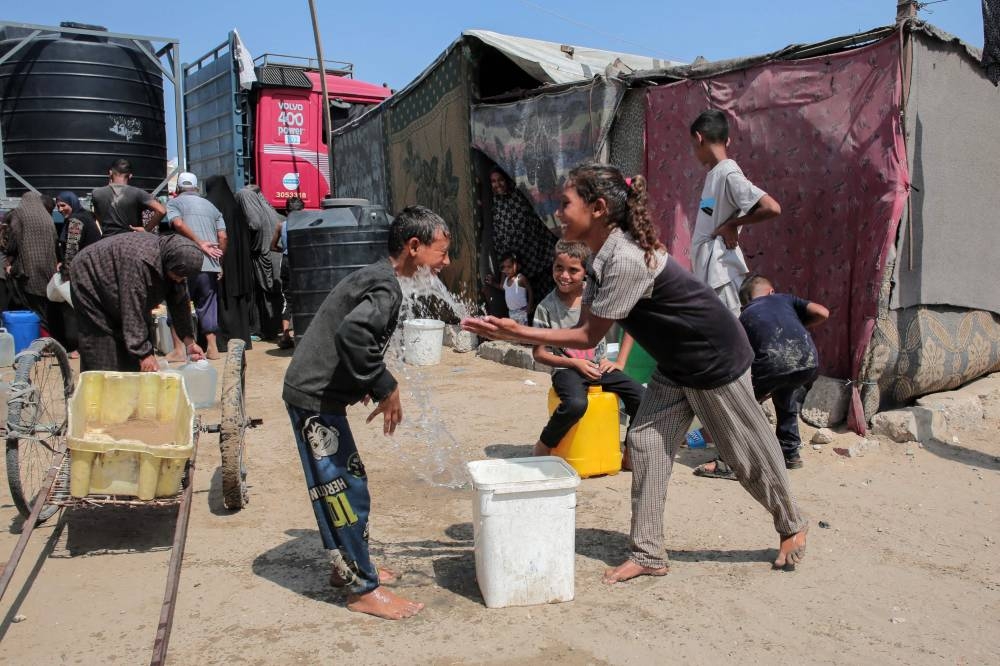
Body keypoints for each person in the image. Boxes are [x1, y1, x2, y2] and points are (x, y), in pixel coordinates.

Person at [463, 163, 809, 582]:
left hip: (712, 357)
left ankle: (792, 523)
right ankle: (648, 553)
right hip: (675, 360)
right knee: (644, 441)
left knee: (743, 448)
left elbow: (588, 333)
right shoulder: (600, 259)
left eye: (566, 202)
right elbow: (585, 327)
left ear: (598, 208)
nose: (558, 211)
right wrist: (519, 330)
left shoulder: (626, 259)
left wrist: (516, 329)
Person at [282, 204, 451, 620]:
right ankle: (362, 588)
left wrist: (359, 383)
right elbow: (354, 333)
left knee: (341, 487)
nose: (446, 262)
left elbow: (355, 338)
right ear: (414, 247)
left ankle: (351, 569)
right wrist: (384, 386)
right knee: (344, 490)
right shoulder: (386, 286)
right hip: (314, 400)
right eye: (441, 252)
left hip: (317, 396)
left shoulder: (380, 277)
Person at [531, 240, 645, 463]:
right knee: (575, 404)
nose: (564, 275)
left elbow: (631, 324)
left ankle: (630, 449)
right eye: (559, 268)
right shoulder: (546, 307)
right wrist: (575, 364)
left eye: (573, 270)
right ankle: (544, 444)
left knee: (642, 397)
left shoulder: (597, 298)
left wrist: (619, 362)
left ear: (586, 272)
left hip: (599, 366)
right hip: (567, 370)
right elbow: (539, 354)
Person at [70, 233, 207, 372]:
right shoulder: (139, 263)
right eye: (177, 276)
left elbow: (180, 302)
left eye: (182, 277)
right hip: (90, 276)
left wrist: (190, 343)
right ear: (167, 264)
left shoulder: (175, 262)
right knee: (103, 347)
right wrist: (143, 354)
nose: (179, 280)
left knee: (135, 350)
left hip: (119, 278)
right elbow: (131, 308)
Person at [689, 110, 781, 314]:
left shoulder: (728, 172)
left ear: (699, 138)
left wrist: (733, 225)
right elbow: (710, 220)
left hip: (722, 274)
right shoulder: (714, 175)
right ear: (727, 141)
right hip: (711, 276)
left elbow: (771, 207)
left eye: (693, 145)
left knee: (731, 335)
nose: (694, 151)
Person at [738, 275, 828, 467]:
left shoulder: (745, 315)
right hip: (807, 361)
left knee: (741, 405)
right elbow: (823, 313)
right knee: (786, 394)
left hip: (772, 364)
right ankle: (790, 454)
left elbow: (743, 351)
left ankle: (731, 461)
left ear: (744, 303)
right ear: (771, 291)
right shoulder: (785, 299)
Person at [165, 172, 226, 360]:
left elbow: (177, 223)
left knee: (177, 303)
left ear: (178, 189)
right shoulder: (212, 207)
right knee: (207, 303)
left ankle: (178, 350)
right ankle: (212, 348)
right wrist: (218, 261)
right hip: (208, 265)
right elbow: (223, 237)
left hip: (182, 263)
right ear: (196, 187)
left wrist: (198, 242)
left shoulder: (174, 203)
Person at [487, 168, 555, 316]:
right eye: (493, 181)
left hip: (533, 255)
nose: (497, 184)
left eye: (500, 180)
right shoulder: (496, 204)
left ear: (507, 180)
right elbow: (499, 232)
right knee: (519, 296)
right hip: (513, 259)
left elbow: (533, 221)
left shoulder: (519, 197)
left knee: (538, 289)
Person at [205, 176, 253, 353]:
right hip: (239, 261)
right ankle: (242, 339)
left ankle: (223, 341)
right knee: (237, 300)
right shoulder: (235, 206)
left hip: (221, 256)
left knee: (222, 297)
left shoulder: (210, 204)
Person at [51, 191, 103, 354]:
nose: (60, 209)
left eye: (63, 205)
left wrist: (66, 273)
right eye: (58, 206)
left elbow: (72, 250)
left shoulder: (76, 221)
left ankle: (82, 347)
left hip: (82, 272)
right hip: (91, 270)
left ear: (71, 203)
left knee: (80, 311)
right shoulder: (85, 216)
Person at [1, 191, 59, 328]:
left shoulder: (19, 213)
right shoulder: (47, 217)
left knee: (35, 312)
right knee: (47, 310)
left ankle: (42, 339)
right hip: (48, 273)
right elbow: (55, 240)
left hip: (28, 273)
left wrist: (8, 251)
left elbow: (13, 240)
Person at [235, 184, 283, 340]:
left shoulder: (246, 198)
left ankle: (267, 329)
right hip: (273, 253)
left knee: (266, 292)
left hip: (264, 254)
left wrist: (247, 244)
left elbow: (254, 224)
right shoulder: (267, 207)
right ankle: (274, 327)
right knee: (274, 292)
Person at [90, 158, 166, 237]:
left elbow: (98, 217)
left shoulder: (96, 193)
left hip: (107, 240)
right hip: (131, 240)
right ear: (130, 176)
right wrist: (146, 230)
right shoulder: (138, 193)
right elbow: (161, 211)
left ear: (110, 172)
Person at [270, 197, 305, 348]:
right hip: (303, 263)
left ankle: (285, 335)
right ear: (302, 211)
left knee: (288, 298)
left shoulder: (281, 225)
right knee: (304, 296)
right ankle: (303, 332)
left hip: (286, 261)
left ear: (286, 211)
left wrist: (283, 249)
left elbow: (272, 246)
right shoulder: (306, 225)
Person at [499, 251, 532, 325]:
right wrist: (492, 283)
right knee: (516, 331)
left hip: (522, 311)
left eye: (509, 267)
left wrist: (530, 305)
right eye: (504, 267)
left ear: (518, 266)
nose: (506, 270)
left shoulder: (520, 278)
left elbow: (530, 291)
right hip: (511, 312)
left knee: (523, 331)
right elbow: (501, 287)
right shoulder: (506, 280)